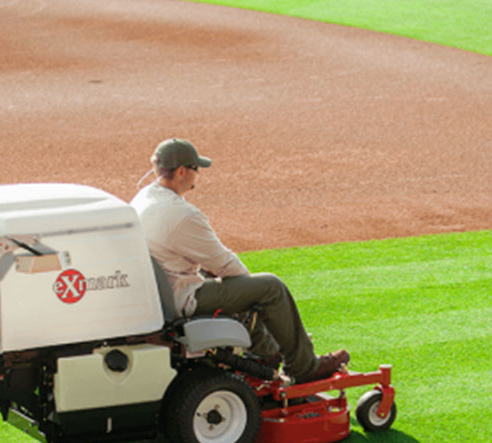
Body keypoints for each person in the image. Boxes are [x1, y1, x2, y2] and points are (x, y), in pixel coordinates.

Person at [130, 138, 349, 383]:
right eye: (195, 169)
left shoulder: (142, 199)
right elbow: (226, 264)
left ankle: (266, 351)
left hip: (160, 291)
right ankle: (304, 365)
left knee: (229, 282)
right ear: (182, 171)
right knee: (269, 287)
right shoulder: (183, 215)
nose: (197, 176)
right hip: (181, 297)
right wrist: (249, 290)